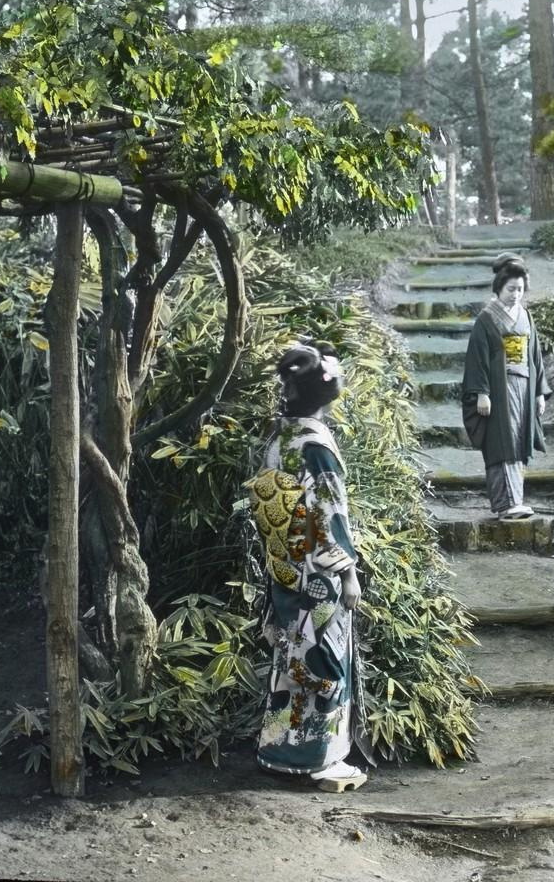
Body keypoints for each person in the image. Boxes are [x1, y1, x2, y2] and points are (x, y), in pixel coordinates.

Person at [246, 339, 371, 792]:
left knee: (290, 656)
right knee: (323, 657)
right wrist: (349, 572)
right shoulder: (315, 446)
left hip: (284, 566)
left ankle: (280, 751)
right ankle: (320, 759)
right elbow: (327, 516)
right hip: (318, 571)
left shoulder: (282, 436)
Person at [461, 253, 552, 521]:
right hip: (498, 389)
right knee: (502, 441)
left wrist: (538, 392)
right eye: (510, 289)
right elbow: (477, 358)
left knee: (519, 439)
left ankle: (517, 500)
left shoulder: (526, 316)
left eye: (520, 290)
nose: (515, 295)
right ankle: (505, 504)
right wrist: (482, 393)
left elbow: (535, 356)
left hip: (523, 386)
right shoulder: (486, 319)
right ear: (499, 288)